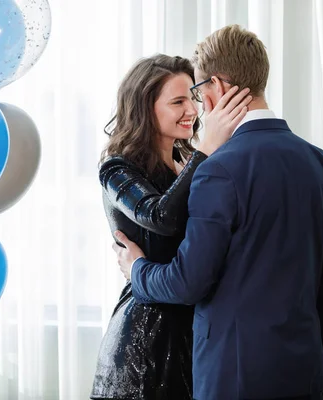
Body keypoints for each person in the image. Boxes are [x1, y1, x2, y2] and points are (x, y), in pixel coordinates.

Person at [113, 25, 323, 400]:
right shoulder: (322, 163)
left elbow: (188, 282)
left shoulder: (216, 168)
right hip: (305, 375)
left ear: (217, 88)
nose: (197, 105)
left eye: (197, 92)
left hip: (233, 378)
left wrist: (137, 271)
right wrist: (315, 364)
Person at [90, 54, 252, 400]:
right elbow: (162, 218)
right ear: (145, 107)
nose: (191, 110)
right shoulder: (116, 168)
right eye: (177, 101)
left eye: (192, 98)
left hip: (197, 325)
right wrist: (207, 148)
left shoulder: (188, 159)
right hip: (149, 333)